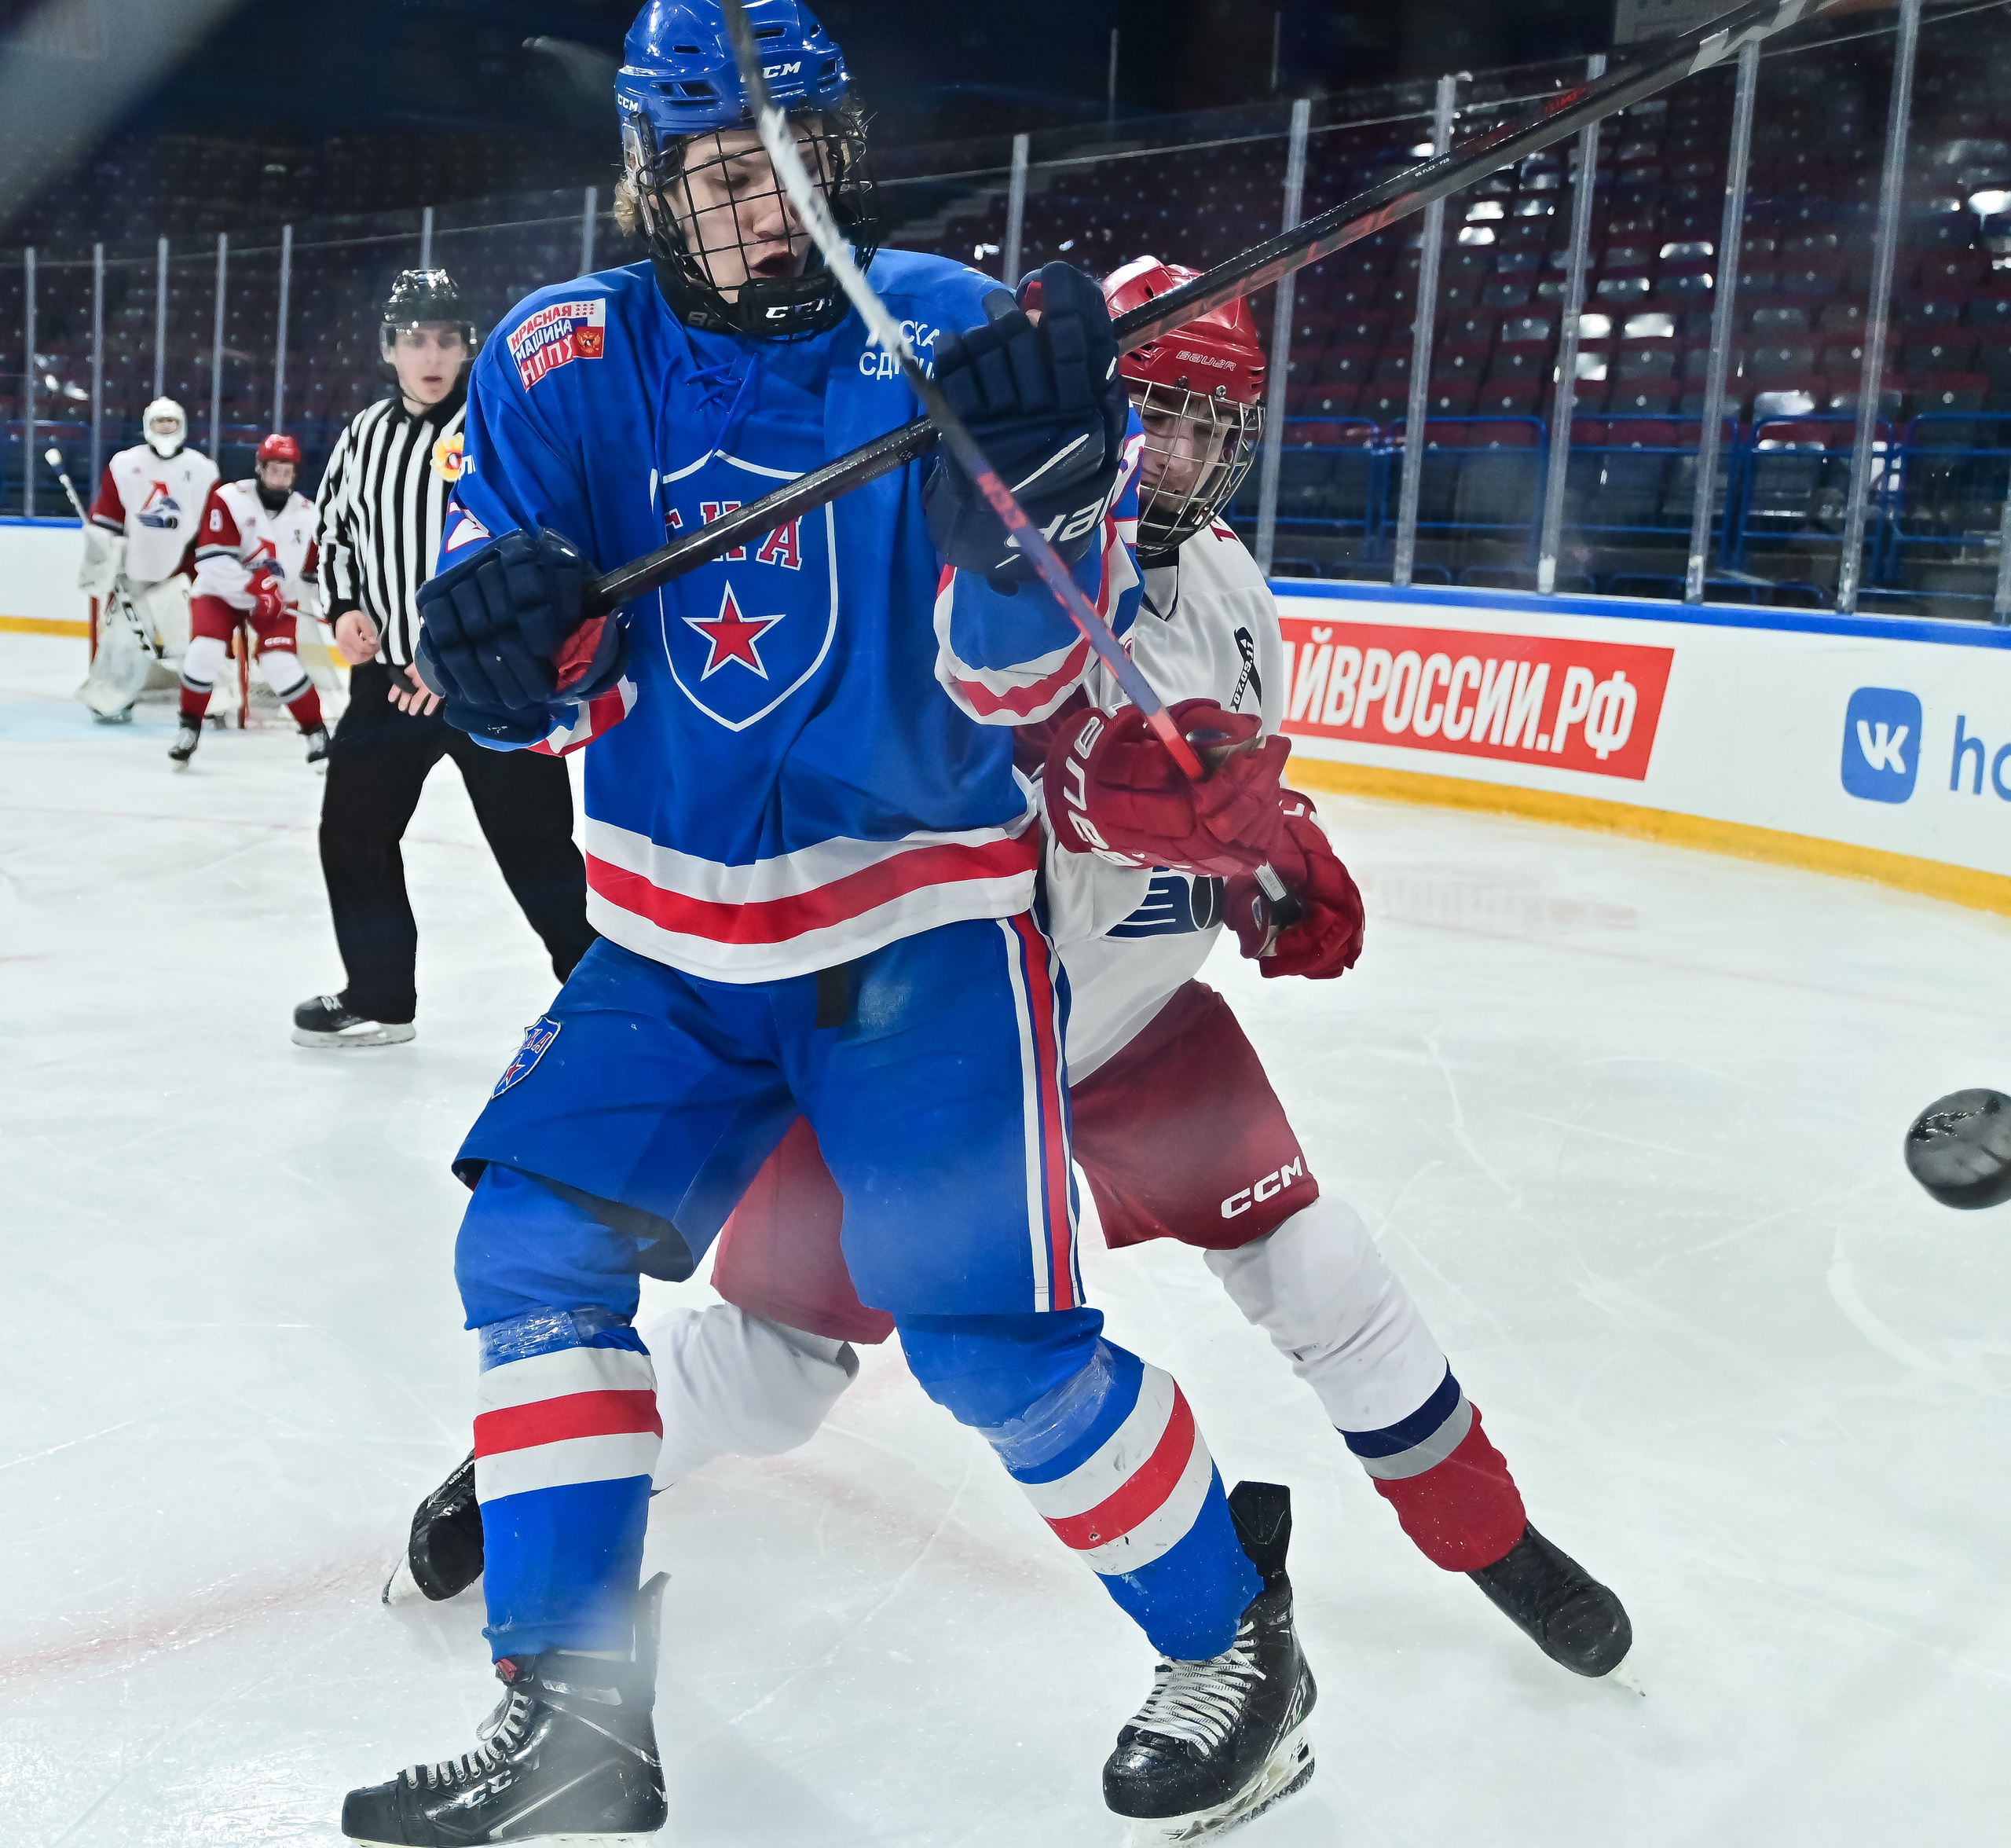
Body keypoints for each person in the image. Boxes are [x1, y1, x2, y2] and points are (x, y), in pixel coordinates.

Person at [337, 7, 1316, 1845]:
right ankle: (570, 1726)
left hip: (912, 950)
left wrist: (1031, 501)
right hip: (667, 953)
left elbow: (1006, 683)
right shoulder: (559, 359)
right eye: (719, 173)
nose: (757, 208)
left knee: (985, 1351)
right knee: (532, 1259)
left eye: (784, 165)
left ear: (833, 156)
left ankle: (1235, 1644)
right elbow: (528, 697)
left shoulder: (951, 343)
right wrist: (494, 645)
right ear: (654, 175)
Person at [390, 257, 1636, 1690]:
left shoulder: (1234, 589)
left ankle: (1491, 1537)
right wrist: (1109, 800)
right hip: (952, 1040)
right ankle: (528, 1475)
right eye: (1150, 409)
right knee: (778, 1368)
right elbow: (942, 759)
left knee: (1314, 1256)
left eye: (1207, 421)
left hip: (1130, 1024)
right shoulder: (971, 531)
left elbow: (1207, 783)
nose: (1171, 451)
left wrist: (1267, 865)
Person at [293, 269, 596, 1050]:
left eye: (448, 340)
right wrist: (346, 608)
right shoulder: (363, 435)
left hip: (491, 687)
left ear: (470, 347)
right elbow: (335, 538)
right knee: (352, 834)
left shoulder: (501, 429)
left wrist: (452, 657)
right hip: (388, 686)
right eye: (415, 340)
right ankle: (380, 995)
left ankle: (602, 1003)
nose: (432, 355)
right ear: (388, 348)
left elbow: (528, 554)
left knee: (535, 847)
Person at [170, 432, 331, 768]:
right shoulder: (229, 499)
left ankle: (316, 734)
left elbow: (314, 576)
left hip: (277, 603)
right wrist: (253, 587)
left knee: (280, 664)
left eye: (288, 471)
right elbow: (211, 561)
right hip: (220, 595)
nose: (281, 477)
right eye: (275, 469)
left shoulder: (309, 515)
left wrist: (334, 607)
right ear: (260, 467)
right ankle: (188, 729)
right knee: (205, 651)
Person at [74, 397, 218, 723]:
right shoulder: (124, 465)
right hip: (134, 575)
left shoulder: (203, 470)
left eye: (171, 422)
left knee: (193, 636)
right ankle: (110, 697)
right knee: (124, 637)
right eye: (159, 422)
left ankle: (212, 698)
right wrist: (107, 563)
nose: (165, 428)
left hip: (182, 574)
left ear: (181, 426)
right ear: (147, 426)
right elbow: (107, 523)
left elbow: (212, 529)